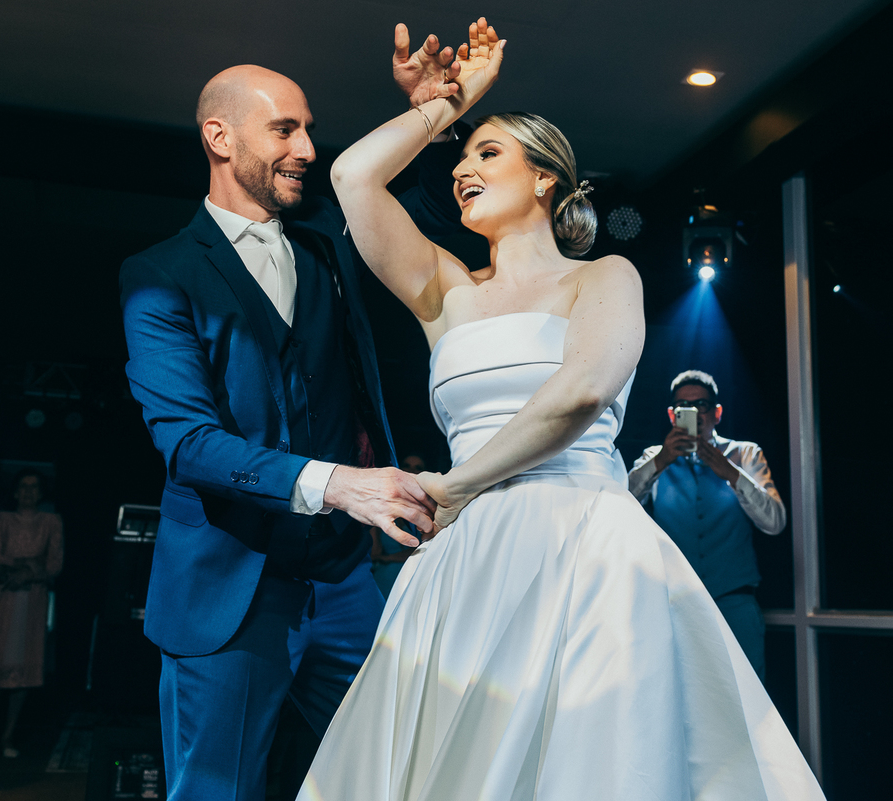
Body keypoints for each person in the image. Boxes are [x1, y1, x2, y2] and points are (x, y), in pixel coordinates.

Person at [298, 18, 823, 799]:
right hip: (469, 559)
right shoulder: (446, 290)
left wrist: (455, 484)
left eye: (488, 153)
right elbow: (353, 179)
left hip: (583, 543)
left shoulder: (604, 277)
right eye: (461, 160)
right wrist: (449, 106)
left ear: (546, 178)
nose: (461, 171)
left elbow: (579, 393)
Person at [120, 25, 469, 801]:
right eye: (285, 128)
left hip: (344, 579)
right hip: (226, 591)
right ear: (219, 136)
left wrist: (433, 116)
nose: (308, 148)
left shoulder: (324, 249)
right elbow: (189, 443)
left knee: (401, 779)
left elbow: (429, 219)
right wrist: (340, 483)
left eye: (308, 128)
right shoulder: (158, 277)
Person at [628, 370, 786, 679]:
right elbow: (621, 504)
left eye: (702, 404)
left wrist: (730, 471)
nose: (695, 413)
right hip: (674, 603)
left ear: (716, 412)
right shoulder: (653, 457)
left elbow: (775, 522)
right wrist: (661, 460)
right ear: (673, 415)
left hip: (735, 603)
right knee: (678, 696)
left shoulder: (745, 454)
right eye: (684, 406)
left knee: (747, 701)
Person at [0, 468, 64, 759]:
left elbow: (54, 565)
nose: (28, 492)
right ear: (15, 492)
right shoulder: (2, 518)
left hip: (32, 600)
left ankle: (8, 736)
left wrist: (26, 573)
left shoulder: (51, 521)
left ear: (41, 493)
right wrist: (25, 566)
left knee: (23, 668)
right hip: (3, 597)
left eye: (34, 487)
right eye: (23, 487)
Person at [368, 453, 426, 598]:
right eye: (407, 466)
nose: (412, 471)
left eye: (418, 468)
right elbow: (374, 553)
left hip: (415, 578)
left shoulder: (430, 509)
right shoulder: (382, 503)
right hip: (383, 576)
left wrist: (388, 558)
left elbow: (425, 552)